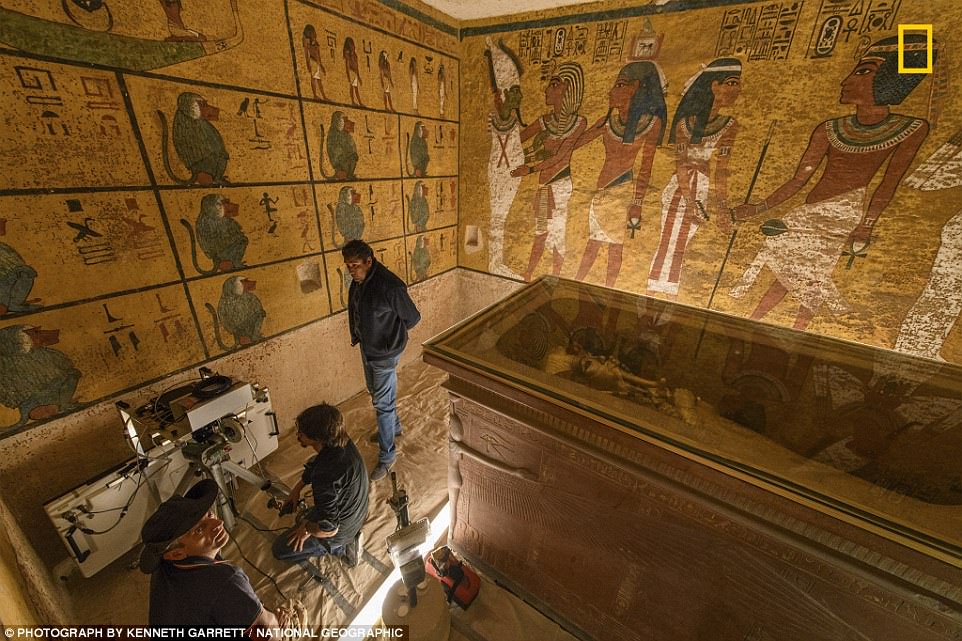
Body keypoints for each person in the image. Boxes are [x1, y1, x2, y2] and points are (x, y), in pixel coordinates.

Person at [730, 35, 934, 329]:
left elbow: (887, 185)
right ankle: (754, 323)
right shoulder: (830, 129)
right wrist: (758, 207)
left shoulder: (910, 128)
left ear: (893, 79)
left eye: (863, 72)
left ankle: (791, 330)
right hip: (809, 211)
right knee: (788, 272)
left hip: (844, 214)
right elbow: (799, 179)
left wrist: (865, 226)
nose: (847, 80)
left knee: (809, 279)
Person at [648, 57, 742, 297]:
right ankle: (659, 290)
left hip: (699, 187)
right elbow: (681, 164)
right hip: (682, 188)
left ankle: (665, 291)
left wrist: (720, 207)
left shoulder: (728, 125)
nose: (737, 89)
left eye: (737, 83)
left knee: (679, 243)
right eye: (731, 82)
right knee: (670, 240)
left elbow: (722, 170)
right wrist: (691, 202)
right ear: (714, 86)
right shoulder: (685, 124)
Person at [140, 479, 285, 630]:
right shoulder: (226, 580)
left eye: (210, 515)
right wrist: (275, 621)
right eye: (200, 530)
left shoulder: (163, 567)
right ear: (177, 554)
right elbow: (267, 633)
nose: (218, 524)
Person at [574, 60, 666, 288]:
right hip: (600, 193)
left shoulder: (650, 124)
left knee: (614, 249)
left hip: (622, 191)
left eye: (619, 85)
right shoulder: (607, 122)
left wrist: (637, 204)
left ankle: (610, 295)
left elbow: (646, 168)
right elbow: (576, 142)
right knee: (592, 245)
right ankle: (577, 287)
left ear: (635, 87)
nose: (611, 91)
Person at [342, 239, 421, 481]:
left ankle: (387, 457)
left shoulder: (389, 286)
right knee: (376, 392)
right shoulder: (360, 280)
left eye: (355, 265)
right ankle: (394, 428)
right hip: (368, 346)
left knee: (382, 404)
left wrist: (390, 338)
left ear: (369, 260)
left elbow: (413, 318)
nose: (351, 270)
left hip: (384, 352)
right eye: (348, 266)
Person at [511, 61, 586, 281]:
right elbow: (517, 140)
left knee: (557, 234)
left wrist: (530, 167)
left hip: (560, 185)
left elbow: (560, 156)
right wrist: (503, 128)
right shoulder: (545, 122)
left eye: (553, 84)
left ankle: (555, 277)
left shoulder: (578, 122)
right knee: (541, 231)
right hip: (544, 186)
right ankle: (529, 274)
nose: (546, 90)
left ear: (568, 88)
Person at [273, 403, 369, 564]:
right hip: (358, 509)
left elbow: (330, 528)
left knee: (279, 550)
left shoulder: (324, 476)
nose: (298, 436)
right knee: (305, 517)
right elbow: (317, 463)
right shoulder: (341, 439)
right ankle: (343, 536)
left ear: (316, 439)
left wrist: (306, 528)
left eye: (301, 434)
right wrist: (297, 489)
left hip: (341, 531)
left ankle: (343, 547)